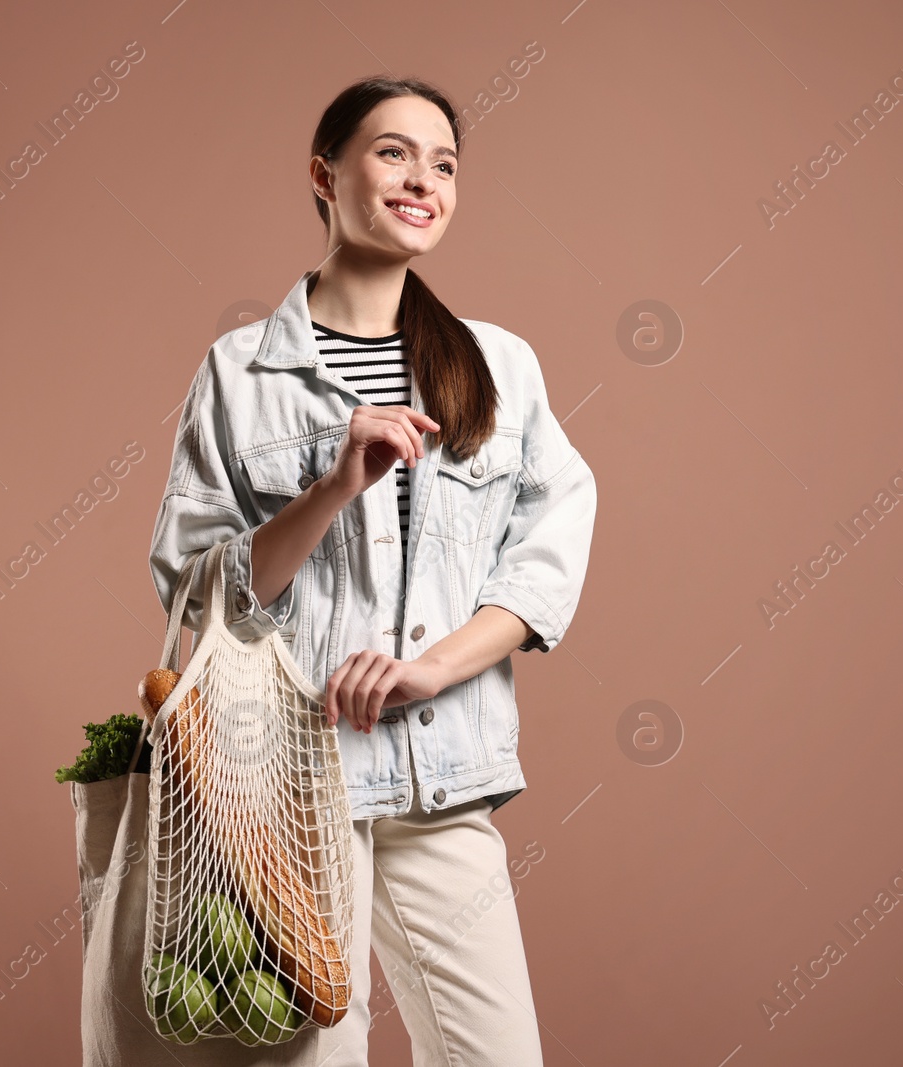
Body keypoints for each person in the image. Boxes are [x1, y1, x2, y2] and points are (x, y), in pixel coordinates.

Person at [148, 74, 596, 1066]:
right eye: (393, 152)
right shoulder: (239, 373)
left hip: (445, 776)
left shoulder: (497, 365)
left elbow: (547, 549)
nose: (421, 179)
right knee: (313, 1058)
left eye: (442, 163)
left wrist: (434, 666)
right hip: (289, 789)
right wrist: (332, 483)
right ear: (325, 174)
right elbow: (197, 588)